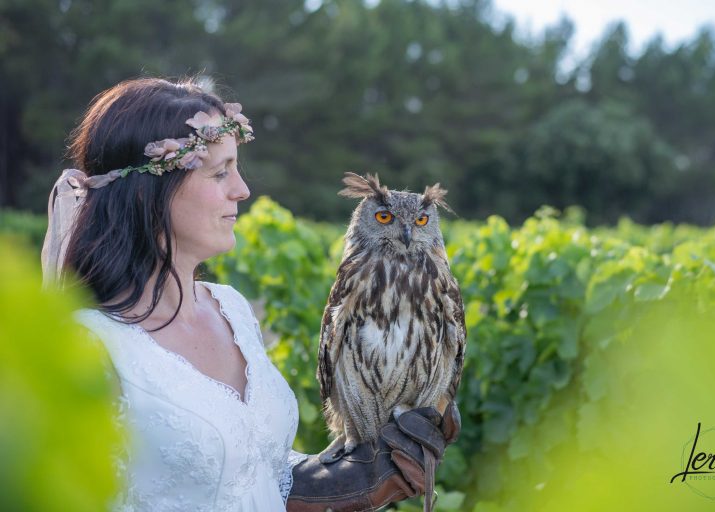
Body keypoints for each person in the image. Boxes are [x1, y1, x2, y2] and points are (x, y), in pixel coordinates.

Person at [41, 77, 460, 511]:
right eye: (220, 172)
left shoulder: (232, 310)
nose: (242, 189)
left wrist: (340, 482)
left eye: (237, 168)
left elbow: (248, 475)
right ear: (151, 191)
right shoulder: (87, 345)